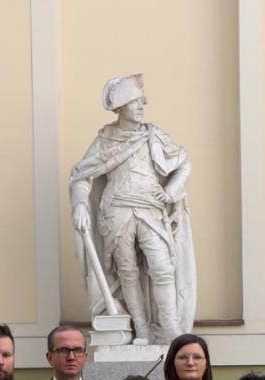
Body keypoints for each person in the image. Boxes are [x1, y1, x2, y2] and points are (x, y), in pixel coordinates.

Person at [70, 73, 196, 343]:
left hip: (150, 209)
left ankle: (170, 326)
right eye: (136, 101)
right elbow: (82, 176)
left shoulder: (154, 136)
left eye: (142, 101)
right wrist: (80, 204)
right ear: (121, 107)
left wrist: (170, 192)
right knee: (127, 272)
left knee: (162, 267)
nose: (142, 105)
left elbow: (183, 163)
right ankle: (141, 328)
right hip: (116, 211)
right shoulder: (105, 140)